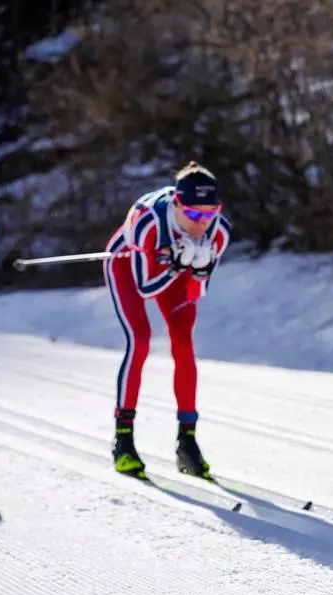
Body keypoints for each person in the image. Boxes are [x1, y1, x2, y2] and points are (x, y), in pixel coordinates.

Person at [104, 161, 232, 480]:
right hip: (128, 263)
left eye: (208, 213)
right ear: (177, 204)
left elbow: (196, 289)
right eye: (192, 214)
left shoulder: (219, 232)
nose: (201, 223)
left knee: (184, 343)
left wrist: (197, 270)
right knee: (140, 341)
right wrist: (176, 264)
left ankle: (187, 442)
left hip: (173, 269)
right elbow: (145, 287)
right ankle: (123, 439)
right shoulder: (149, 223)